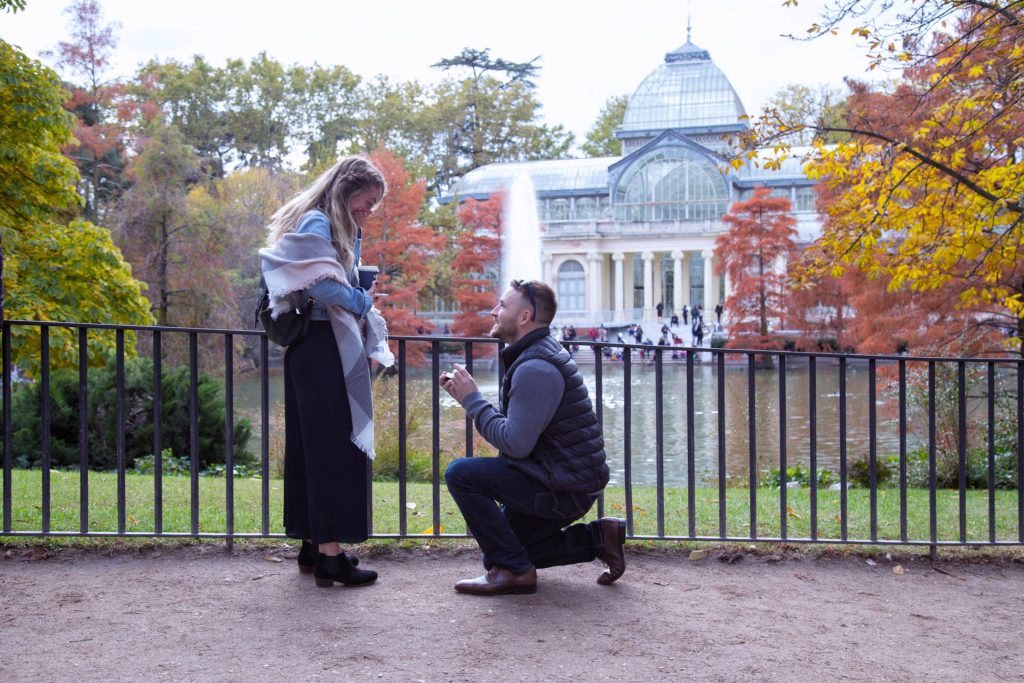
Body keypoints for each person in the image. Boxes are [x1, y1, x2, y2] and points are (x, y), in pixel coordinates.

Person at [440, 280, 626, 595]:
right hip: (562, 477)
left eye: (502, 306)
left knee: (460, 474)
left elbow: (516, 443)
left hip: (564, 486)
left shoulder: (536, 367)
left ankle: (517, 572)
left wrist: (473, 401)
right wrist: (474, 400)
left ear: (524, 317)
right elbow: (520, 436)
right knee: (501, 553)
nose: (494, 311)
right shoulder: (537, 355)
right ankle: (599, 539)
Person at [260, 155, 387, 589]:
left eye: (373, 206)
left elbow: (320, 277)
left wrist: (354, 286)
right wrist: (361, 300)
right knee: (330, 449)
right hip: (321, 347)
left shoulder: (325, 223)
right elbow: (316, 283)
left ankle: (313, 546)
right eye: (365, 202)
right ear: (346, 190)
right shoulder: (319, 223)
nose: (367, 212)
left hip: (310, 350)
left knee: (310, 449)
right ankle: (331, 559)